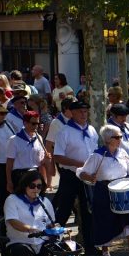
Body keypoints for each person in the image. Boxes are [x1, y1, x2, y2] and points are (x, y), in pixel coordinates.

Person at [78, 124, 129, 256]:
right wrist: (90, 178)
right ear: (108, 139)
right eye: (118, 137)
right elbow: (82, 172)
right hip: (104, 190)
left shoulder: (122, 152)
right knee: (105, 221)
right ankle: (105, 253)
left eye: (121, 136)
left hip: (123, 188)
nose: (121, 139)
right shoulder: (97, 155)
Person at [3, 169, 57, 256]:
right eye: (32, 186)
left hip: (41, 241)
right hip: (20, 241)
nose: (36, 189)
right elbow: (13, 221)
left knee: (60, 249)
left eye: (39, 186)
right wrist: (31, 229)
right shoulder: (12, 200)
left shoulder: (44, 201)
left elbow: (51, 223)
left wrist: (56, 229)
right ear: (25, 186)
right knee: (23, 252)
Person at [50, 101, 97, 244]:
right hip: (70, 175)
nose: (83, 114)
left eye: (85, 111)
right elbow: (57, 156)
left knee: (88, 210)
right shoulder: (65, 131)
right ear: (72, 113)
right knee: (64, 209)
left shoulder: (91, 130)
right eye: (80, 112)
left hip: (87, 175)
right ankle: (52, 242)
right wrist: (78, 163)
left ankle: (89, 244)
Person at [5, 110, 48, 195]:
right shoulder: (14, 140)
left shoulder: (39, 138)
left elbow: (40, 163)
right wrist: (9, 181)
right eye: (33, 123)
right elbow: (9, 163)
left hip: (35, 174)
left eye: (37, 124)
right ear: (25, 123)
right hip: (20, 175)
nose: (36, 126)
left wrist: (44, 180)